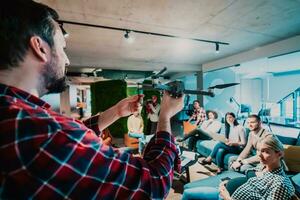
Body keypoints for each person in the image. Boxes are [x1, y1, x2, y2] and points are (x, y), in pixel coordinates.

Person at [0, 1, 184, 199]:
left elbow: (71, 140)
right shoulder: (42, 131)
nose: (67, 60)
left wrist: (116, 111)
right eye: (62, 47)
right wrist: (165, 116)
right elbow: (154, 185)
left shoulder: (13, 116)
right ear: (40, 47)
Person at [182, 136, 296, 200]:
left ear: (279, 154)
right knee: (188, 193)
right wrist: (228, 182)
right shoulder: (264, 167)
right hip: (224, 192)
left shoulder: (281, 183)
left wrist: (227, 198)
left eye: (266, 151)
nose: (260, 155)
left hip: (227, 197)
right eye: (259, 150)